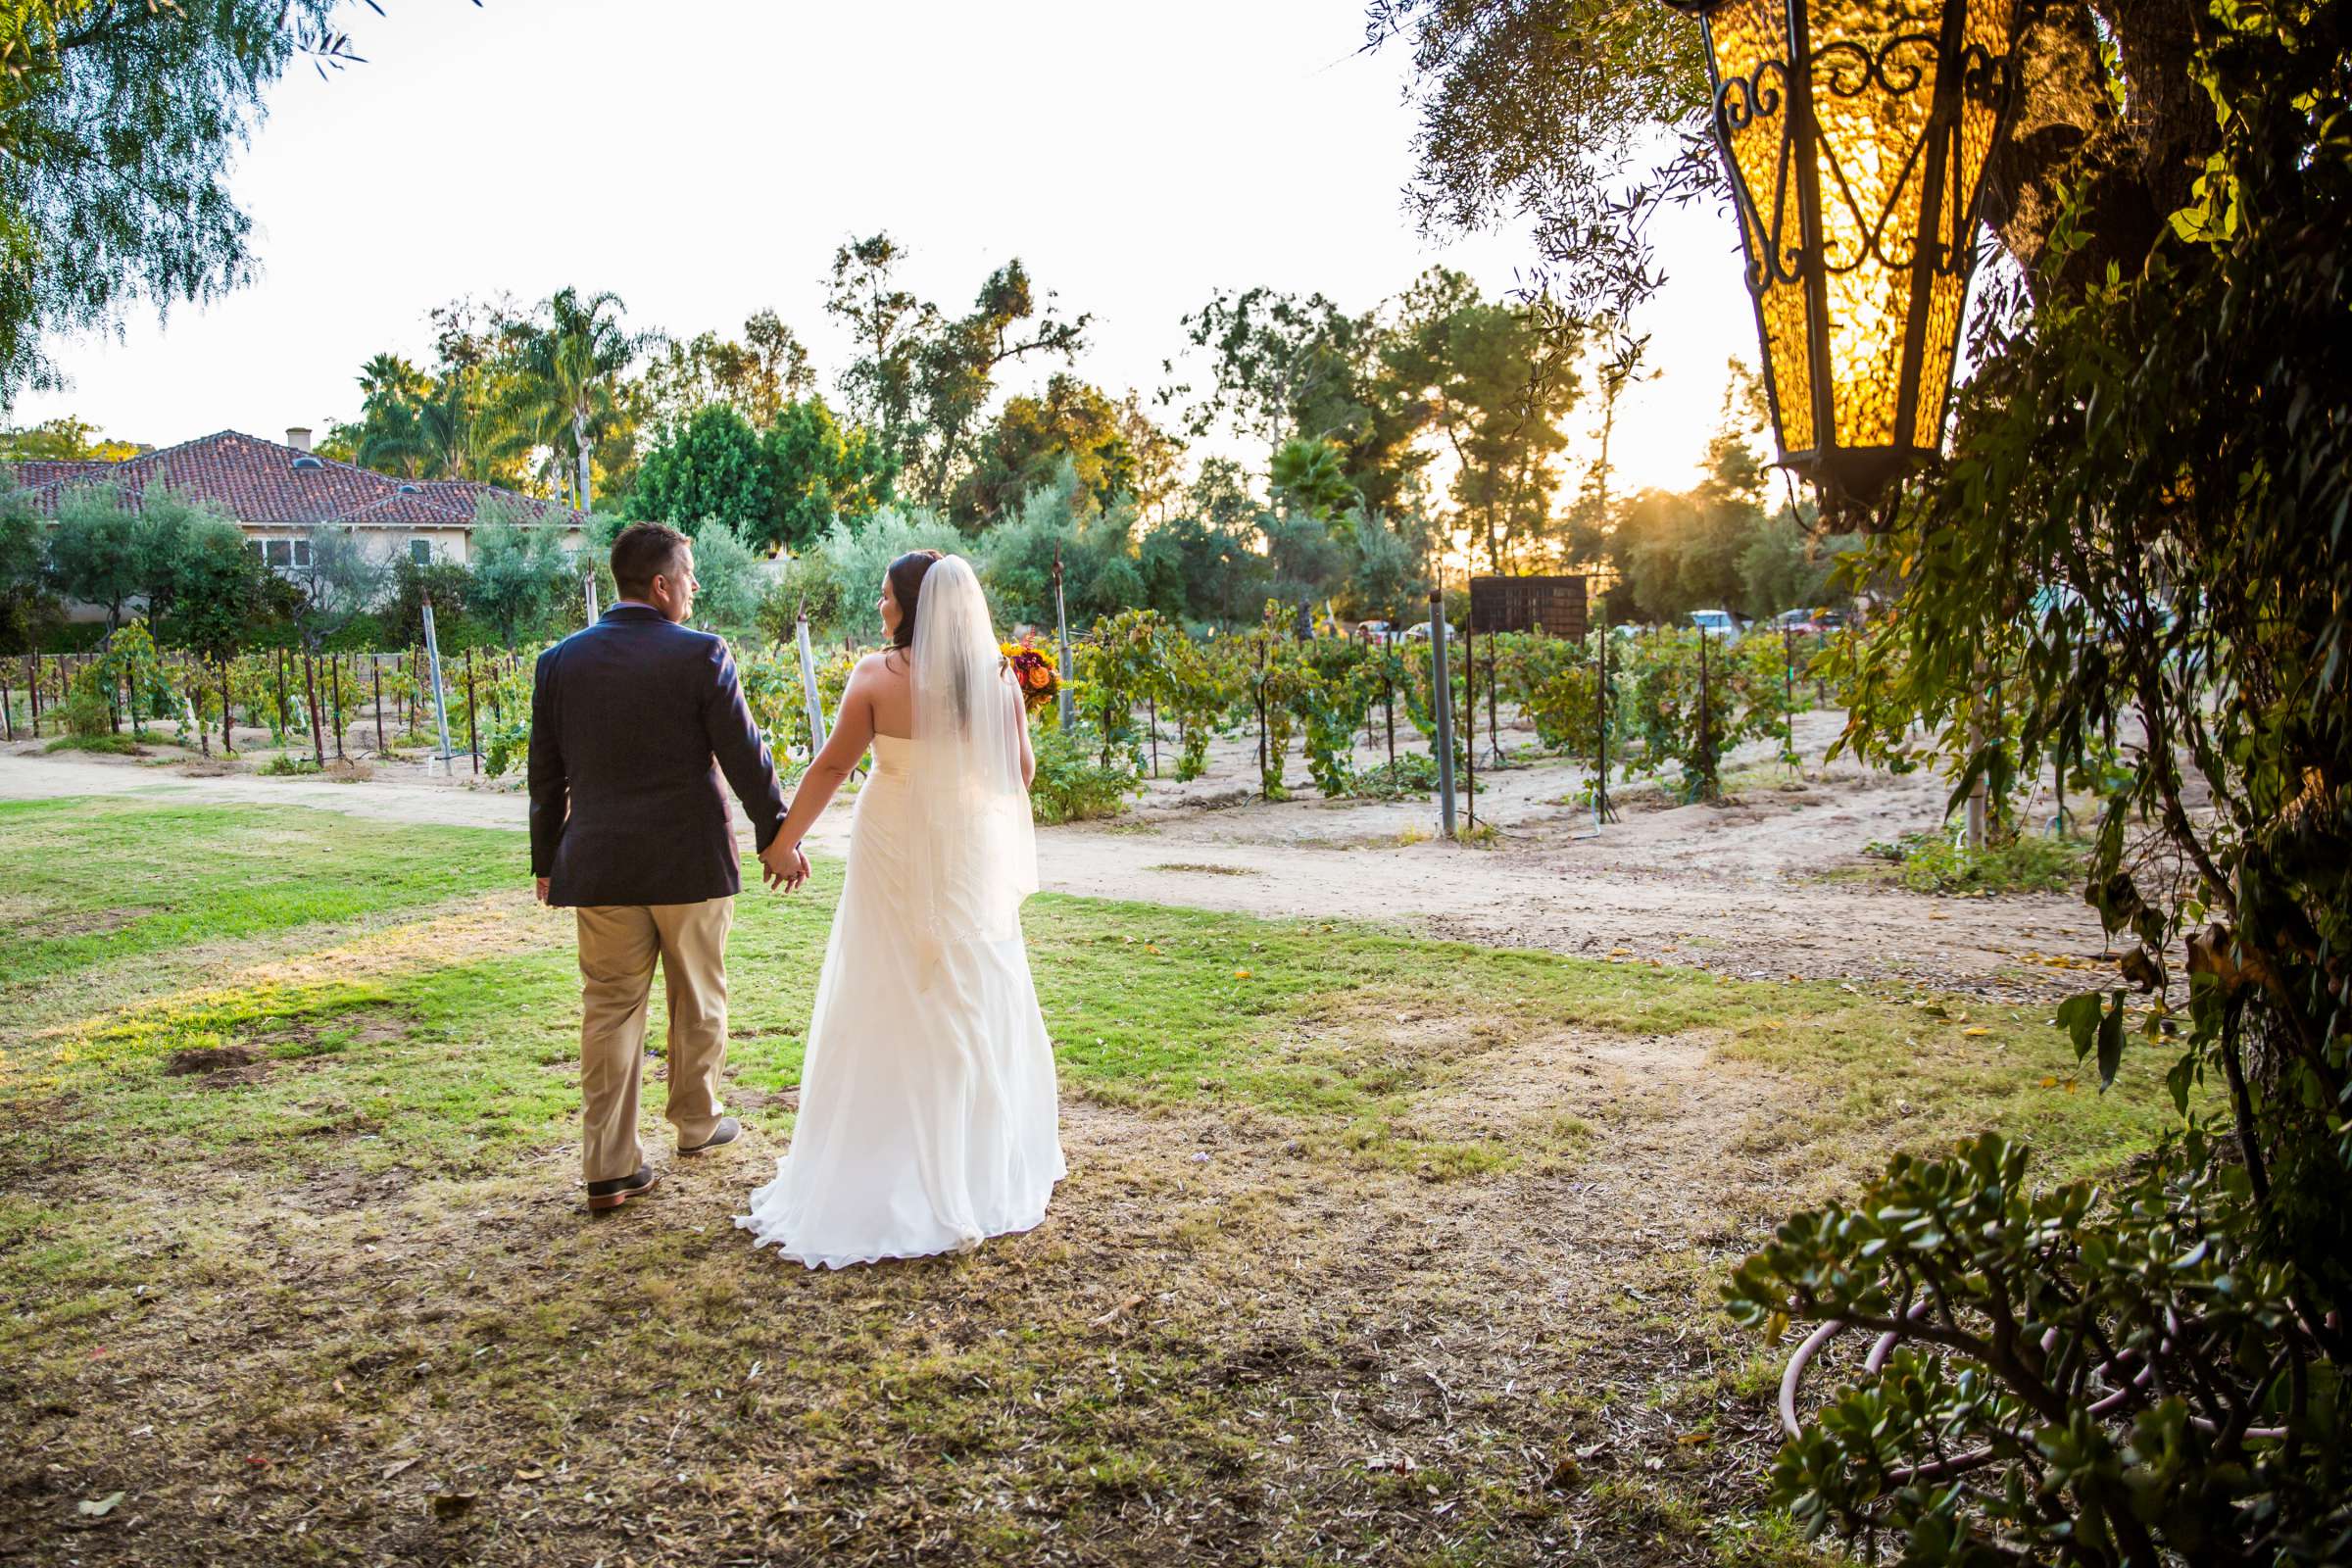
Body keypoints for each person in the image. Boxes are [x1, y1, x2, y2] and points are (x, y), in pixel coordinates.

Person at [736, 551, 1065, 1267]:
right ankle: (977, 1163)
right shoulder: (998, 678)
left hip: (890, 842)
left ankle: (880, 1160)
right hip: (963, 851)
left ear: (913, 606)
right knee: (966, 982)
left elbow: (831, 767)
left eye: (887, 597)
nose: (880, 606)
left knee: (887, 984)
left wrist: (782, 843)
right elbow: (1022, 774)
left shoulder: (877, 679)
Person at [527, 521, 805, 1213]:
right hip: (689, 862)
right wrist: (776, 834)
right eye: (689, 574)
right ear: (660, 585)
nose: (695, 586)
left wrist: (546, 861)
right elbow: (745, 755)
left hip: (600, 865)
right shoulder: (702, 654)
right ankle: (697, 1123)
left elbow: (545, 776)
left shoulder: (559, 661)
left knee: (611, 1010)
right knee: (698, 996)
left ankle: (609, 1166)